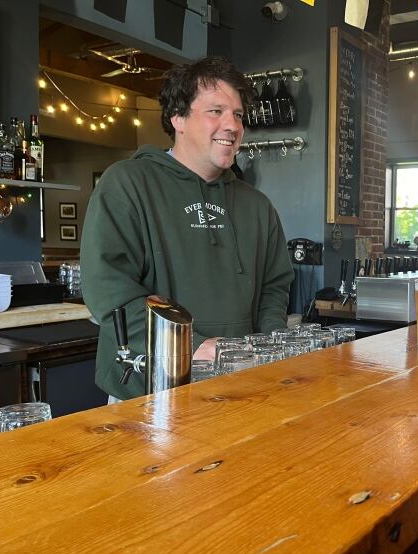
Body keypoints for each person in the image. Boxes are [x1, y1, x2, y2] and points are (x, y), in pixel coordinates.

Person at [81, 56, 294, 400]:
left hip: (236, 385)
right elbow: (108, 290)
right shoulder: (127, 183)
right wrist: (192, 347)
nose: (233, 125)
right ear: (178, 117)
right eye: (216, 111)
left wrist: (270, 346)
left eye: (238, 114)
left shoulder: (257, 205)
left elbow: (275, 286)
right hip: (146, 389)